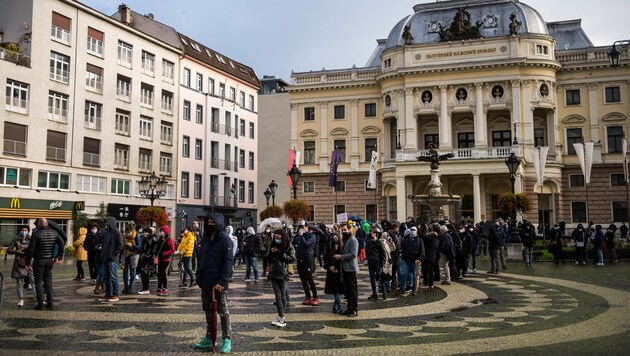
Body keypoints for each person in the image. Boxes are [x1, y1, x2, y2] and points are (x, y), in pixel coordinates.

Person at [194, 213, 234, 353]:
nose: (210, 224)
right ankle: (209, 337)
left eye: (213, 222)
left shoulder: (225, 240)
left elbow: (228, 262)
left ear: (219, 224)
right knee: (208, 310)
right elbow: (201, 258)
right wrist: (199, 276)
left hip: (218, 283)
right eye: (209, 222)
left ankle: (227, 339)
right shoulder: (206, 239)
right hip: (205, 281)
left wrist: (222, 281)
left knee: (222, 311)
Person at [25, 218, 65, 310]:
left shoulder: (36, 233)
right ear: (47, 224)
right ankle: (50, 303)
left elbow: (31, 249)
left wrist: (27, 262)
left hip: (39, 260)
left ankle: (40, 303)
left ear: (39, 225)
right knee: (48, 281)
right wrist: (59, 256)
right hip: (49, 260)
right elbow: (61, 244)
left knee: (38, 282)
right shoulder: (54, 232)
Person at [267, 228, 296, 328]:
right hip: (273, 272)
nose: (276, 239)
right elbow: (269, 258)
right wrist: (271, 252)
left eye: (278, 238)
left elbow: (292, 259)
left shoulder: (288, 246)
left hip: (283, 273)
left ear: (283, 237)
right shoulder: (273, 244)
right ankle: (280, 316)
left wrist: (279, 253)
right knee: (278, 296)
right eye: (275, 238)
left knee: (281, 296)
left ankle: (282, 317)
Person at [334, 223, 358, 317]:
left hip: (351, 268)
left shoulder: (353, 240)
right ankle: (349, 307)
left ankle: (354, 309)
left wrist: (341, 257)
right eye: (342, 230)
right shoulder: (346, 239)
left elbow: (353, 254)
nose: (344, 231)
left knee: (352, 290)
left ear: (349, 230)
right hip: (345, 268)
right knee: (347, 290)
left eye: (345, 230)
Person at [7, 225, 35, 307]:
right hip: (18, 262)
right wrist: (17, 251)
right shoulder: (16, 239)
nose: (24, 231)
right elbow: (9, 250)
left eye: (26, 230)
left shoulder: (31, 239)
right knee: (19, 283)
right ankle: (20, 299)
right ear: (20, 231)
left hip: (29, 262)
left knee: (33, 280)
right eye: (22, 230)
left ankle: (38, 298)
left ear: (28, 231)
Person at [295, 221, 319, 306]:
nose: (301, 228)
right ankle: (308, 296)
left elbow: (306, 244)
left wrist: (301, 236)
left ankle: (315, 297)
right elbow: (294, 242)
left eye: (302, 227)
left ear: (307, 227)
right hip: (300, 258)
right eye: (300, 227)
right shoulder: (300, 235)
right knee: (303, 279)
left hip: (307, 258)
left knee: (309, 278)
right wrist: (298, 236)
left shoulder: (312, 236)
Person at [100, 217, 123, 302]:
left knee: (113, 277)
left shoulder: (117, 232)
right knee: (107, 277)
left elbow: (120, 245)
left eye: (107, 222)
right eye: (106, 222)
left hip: (113, 259)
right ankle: (108, 294)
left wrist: (114, 254)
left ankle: (115, 294)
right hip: (105, 258)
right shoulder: (106, 232)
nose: (106, 224)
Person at [399, 226, 424, 295]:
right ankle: (402, 288)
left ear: (416, 231)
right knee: (403, 274)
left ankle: (414, 290)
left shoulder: (419, 240)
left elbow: (422, 251)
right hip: (406, 260)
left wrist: (419, 259)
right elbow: (403, 248)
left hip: (415, 261)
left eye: (414, 230)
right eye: (411, 230)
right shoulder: (406, 239)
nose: (412, 231)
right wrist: (403, 257)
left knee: (414, 276)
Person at [324, 229, 344, 313]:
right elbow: (326, 259)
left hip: (339, 271)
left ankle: (336, 305)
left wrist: (337, 268)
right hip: (331, 271)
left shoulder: (342, 247)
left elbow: (342, 258)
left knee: (338, 290)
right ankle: (338, 305)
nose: (334, 238)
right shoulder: (329, 247)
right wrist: (330, 266)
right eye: (333, 237)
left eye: (336, 237)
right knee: (335, 290)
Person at [138, 227, 159, 295]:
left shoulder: (153, 239)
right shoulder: (144, 239)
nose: (144, 233)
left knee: (145, 273)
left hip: (149, 259)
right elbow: (143, 248)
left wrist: (150, 256)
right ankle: (144, 288)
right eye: (144, 232)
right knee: (143, 273)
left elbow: (155, 249)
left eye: (146, 232)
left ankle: (146, 289)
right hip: (144, 258)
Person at [365, 228, 385, 300]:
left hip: (378, 263)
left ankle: (383, 292)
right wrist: (368, 258)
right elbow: (366, 251)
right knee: (372, 278)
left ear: (375, 234)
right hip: (371, 263)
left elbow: (383, 253)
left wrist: (382, 263)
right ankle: (374, 292)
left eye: (373, 232)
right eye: (371, 232)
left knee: (379, 277)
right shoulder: (368, 242)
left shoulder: (379, 242)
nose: (371, 234)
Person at [156, 225, 175, 296]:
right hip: (160, 258)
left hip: (166, 259)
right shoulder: (160, 239)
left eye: (163, 231)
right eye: (161, 231)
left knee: (162, 272)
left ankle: (164, 288)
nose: (161, 232)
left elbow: (172, 249)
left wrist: (164, 253)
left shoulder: (169, 239)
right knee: (159, 273)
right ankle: (159, 288)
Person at [122, 224, 141, 294]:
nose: (127, 233)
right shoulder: (124, 237)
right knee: (124, 271)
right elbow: (121, 245)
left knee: (132, 271)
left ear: (132, 230)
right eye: (126, 232)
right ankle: (126, 287)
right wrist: (124, 245)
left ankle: (130, 286)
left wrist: (132, 245)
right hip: (125, 255)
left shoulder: (136, 236)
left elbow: (139, 248)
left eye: (129, 231)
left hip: (133, 255)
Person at [378, 231, 396, 300]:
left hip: (388, 262)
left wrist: (391, 242)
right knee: (383, 277)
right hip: (383, 262)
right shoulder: (380, 242)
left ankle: (387, 290)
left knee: (388, 277)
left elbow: (393, 249)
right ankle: (384, 292)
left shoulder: (387, 242)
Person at [388, 222, 402, 289]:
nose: (398, 229)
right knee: (392, 271)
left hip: (397, 255)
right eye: (397, 228)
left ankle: (397, 282)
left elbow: (400, 243)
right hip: (392, 255)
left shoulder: (398, 235)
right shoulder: (390, 235)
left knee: (398, 269)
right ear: (395, 228)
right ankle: (392, 284)